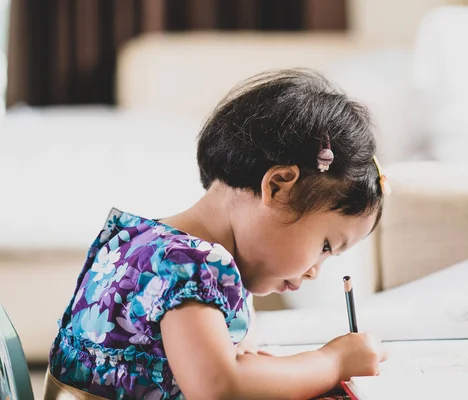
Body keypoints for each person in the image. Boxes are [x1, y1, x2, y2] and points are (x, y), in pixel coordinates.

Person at [46, 69, 390, 399]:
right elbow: (220, 388)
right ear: (279, 187)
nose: (316, 271)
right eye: (326, 245)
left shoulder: (140, 241)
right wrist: (332, 362)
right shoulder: (193, 265)